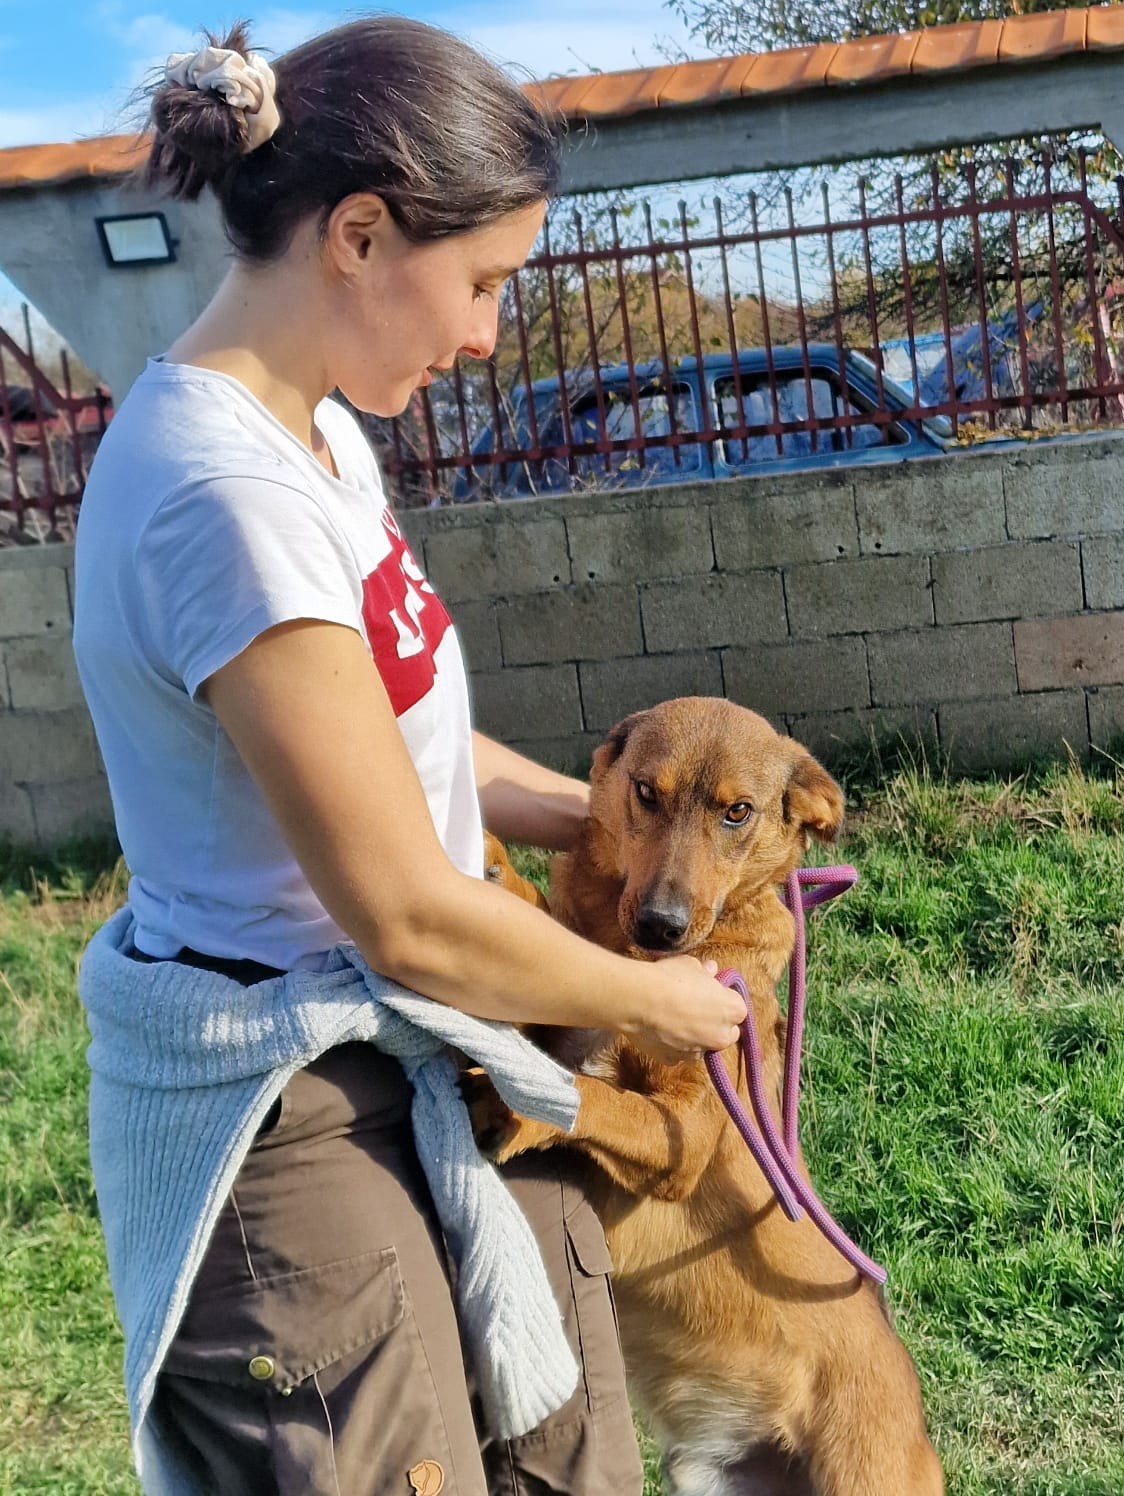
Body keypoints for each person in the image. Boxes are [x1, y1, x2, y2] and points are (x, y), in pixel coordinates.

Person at [72, 16, 747, 1496]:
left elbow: (396, 743)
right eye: (485, 282)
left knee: (566, 1449)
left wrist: (626, 830)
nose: (488, 334)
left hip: (425, 1040)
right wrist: (659, 999)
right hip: (294, 1097)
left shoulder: (318, 442)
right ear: (361, 235)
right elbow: (404, 911)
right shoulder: (221, 495)